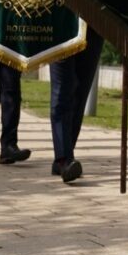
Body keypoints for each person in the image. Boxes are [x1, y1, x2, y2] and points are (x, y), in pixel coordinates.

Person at [48, 38, 102, 183]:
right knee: (62, 92)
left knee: (80, 95)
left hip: (93, 31)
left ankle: (64, 156)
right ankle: (64, 159)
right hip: (62, 32)